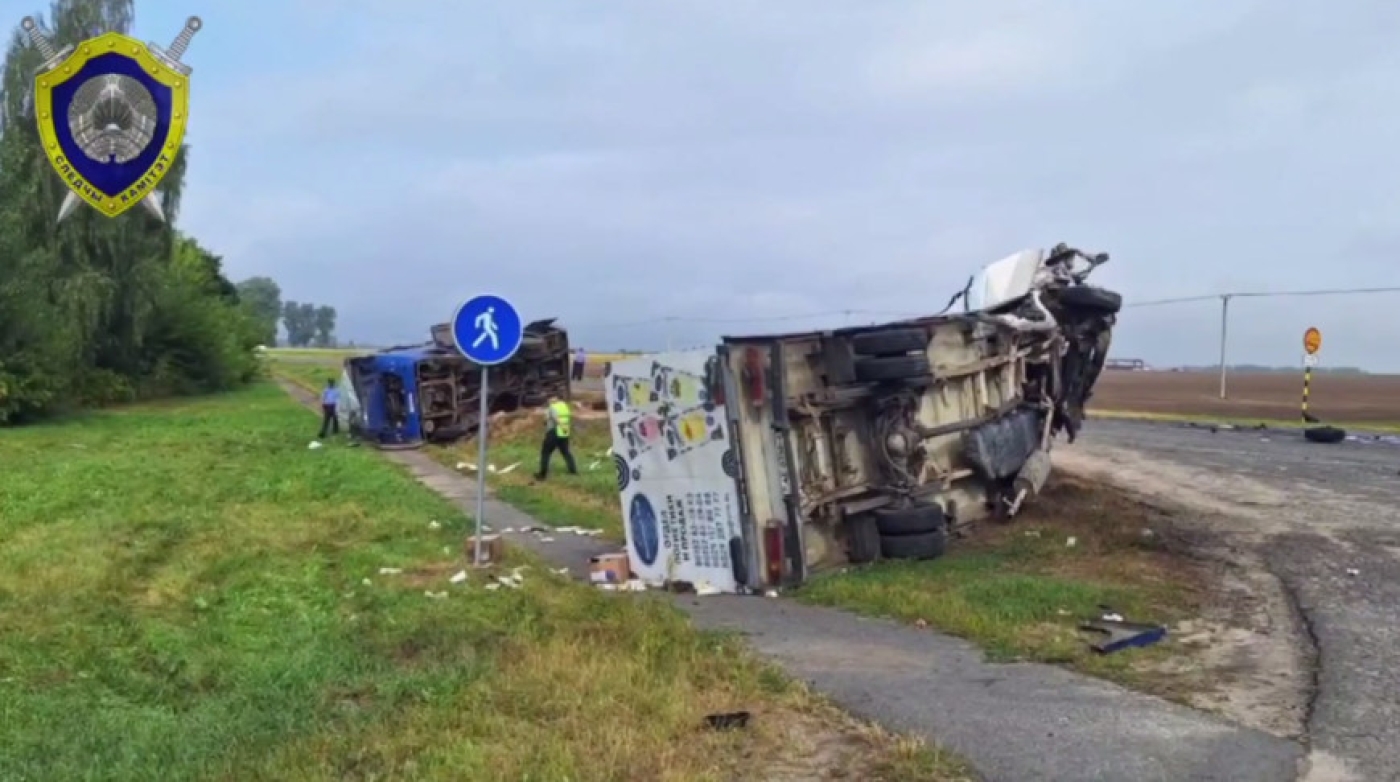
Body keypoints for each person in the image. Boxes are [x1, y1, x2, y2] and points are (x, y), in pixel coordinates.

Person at [535, 394, 578, 480]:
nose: (549, 400)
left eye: (549, 398)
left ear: (554, 398)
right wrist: (564, 428)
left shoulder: (552, 407)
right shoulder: (564, 406)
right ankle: (573, 470)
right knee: (565, 452)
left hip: (553, 432)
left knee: (545, 453)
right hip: (564, 433)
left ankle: (542, 474)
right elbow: (568, 418)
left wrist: (545, 421)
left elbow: (552, 419)